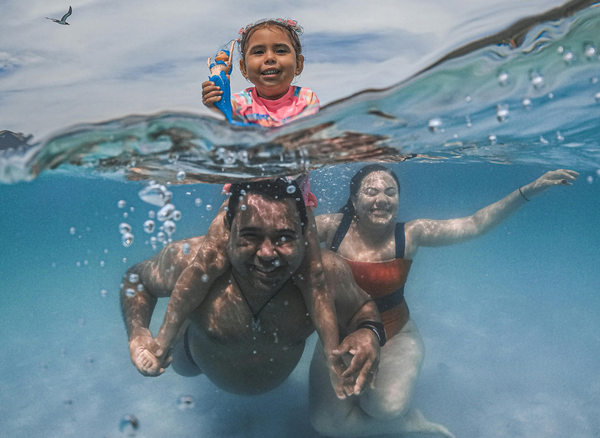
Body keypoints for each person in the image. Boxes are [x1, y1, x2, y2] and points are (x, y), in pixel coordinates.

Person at [132, 18, 349, 397]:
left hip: (294, 206)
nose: (269, 59)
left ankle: (333, 356)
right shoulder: (240, 101)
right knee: (204, 264)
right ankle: (164, 339)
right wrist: (218, 101)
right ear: (245, 68)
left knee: (314, 275)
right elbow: (228, 130)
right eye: (258, 52)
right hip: (243, 203)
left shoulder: (307, 99)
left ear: (298, 64)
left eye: (280, 51)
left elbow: (292, 133)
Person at [310, 164, 578, 437]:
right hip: (341, 337)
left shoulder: (411, 233)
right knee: (327, 424)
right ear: (354, 200)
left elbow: (475, 224)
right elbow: (288, 234)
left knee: (384, 407)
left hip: (395, 335)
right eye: (371, 191)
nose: (382, 199)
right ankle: (399, 424)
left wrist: (530, 191)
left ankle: (403, 419)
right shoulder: (334, 227)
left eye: (391, 193)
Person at [122, 179, 382, 400]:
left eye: (284, 237)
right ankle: (182, 327)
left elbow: (364, 308)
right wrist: (137, 333)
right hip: (189, 359)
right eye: (250, 236)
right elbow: (136, 279)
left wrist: (369, 333)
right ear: (228, 231)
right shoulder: (186, 261)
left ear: (304, 235)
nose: (267, 253)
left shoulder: (326, 274)